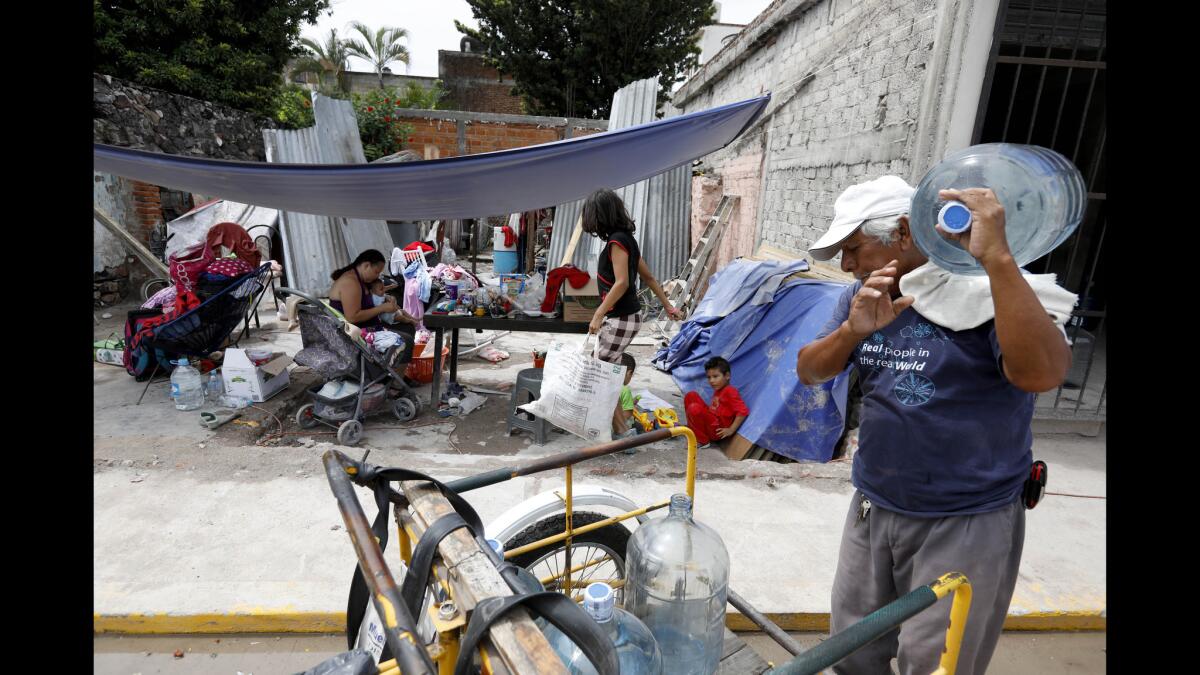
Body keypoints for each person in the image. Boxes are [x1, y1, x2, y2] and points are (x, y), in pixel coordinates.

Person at [794, 175, 1073, 675]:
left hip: (965, 518)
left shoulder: (989, 298)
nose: (847, 264)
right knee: (852, 653)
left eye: (854, 247)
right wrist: (850, 331)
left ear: (904, 232)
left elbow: (1040, 374)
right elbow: (810, 371)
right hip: (874, 507)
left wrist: (999, 261)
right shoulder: (863, 298)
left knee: (938, 664)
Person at [582, 188, 684, 362]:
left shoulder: (617, 242)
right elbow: (649, 277)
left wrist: (598, 314)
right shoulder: (627, 239)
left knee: (598, 368)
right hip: (628, 316)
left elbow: (622, 283)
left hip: (622, 317)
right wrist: (668, 306)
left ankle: (618, 388)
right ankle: (620, 386)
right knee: (606, 365)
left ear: (600, 216)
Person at [682, 357, 749, 447]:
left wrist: (731, 429)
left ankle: (702, 440)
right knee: (691, 395)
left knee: (694, 408)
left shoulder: (730, 391)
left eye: (715, 376)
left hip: (717, 430)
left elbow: (743, 411)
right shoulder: (719, 389)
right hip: (711, 420)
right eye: (709, 377)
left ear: (727, 376)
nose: (711, 381)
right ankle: (693, 428)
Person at [328, 250, 398, 329]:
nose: (377, 276)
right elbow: (352, 317)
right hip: (360, 335)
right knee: (407, 334)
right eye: (376, 272)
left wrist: (386, 298)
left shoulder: (362, 280)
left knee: (407, 327)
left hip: (373, 326)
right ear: (366, 266)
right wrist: (382, 308)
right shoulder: (350, 283)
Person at [614, 353, 639, 440]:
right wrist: (631, 405)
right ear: (629, 373)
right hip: (615, 426)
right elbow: (626, 414)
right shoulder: (625, 390)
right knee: (635, 423)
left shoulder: (607, 386)